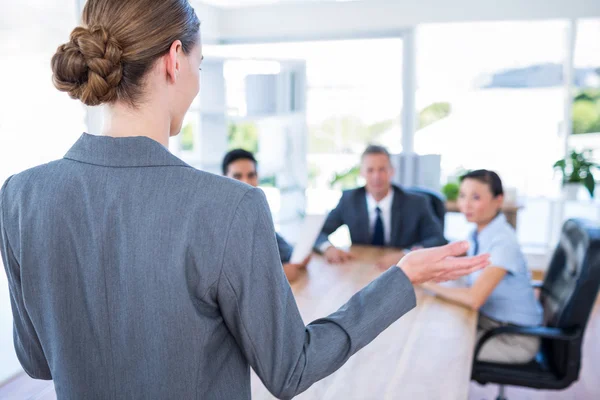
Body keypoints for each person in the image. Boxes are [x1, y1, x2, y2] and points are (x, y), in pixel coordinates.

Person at [0, 1, 490, 398]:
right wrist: (402, 277)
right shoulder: (229, 206)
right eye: (200, 64)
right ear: (175, 59)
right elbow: (291, 370)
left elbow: (37, 360)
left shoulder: (20, 196)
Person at [421, 170, 543, 363]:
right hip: (492, 323)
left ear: (498, 200)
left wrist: (427, 285)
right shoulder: (479, 233)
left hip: (513, 338)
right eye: (462, 196)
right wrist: (411, 257)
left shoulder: (503, 242)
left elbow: (474, 299)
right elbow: (454, 254)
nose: (465, 205)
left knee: (441, 347)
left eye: (475, 197)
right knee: (433, 327)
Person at [314, 145, 447, 268]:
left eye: (382, 169)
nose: (376, 176)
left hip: (403, 270)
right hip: (362, 267)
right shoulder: (349, 200)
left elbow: (437, 239)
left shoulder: (417, 202)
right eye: (370, 170)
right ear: (362, 173)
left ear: (391, 171)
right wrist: (328, 248)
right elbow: (318, 232)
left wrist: (406, 254)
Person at [222, 148, 308, 283]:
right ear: (224, 179)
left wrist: (298, 258)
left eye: (251, 175)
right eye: (237, 176)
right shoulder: (220, 220)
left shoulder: (256, 212)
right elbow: (231, 278)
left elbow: (284, 250)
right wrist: (279, 275)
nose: (246, 182)